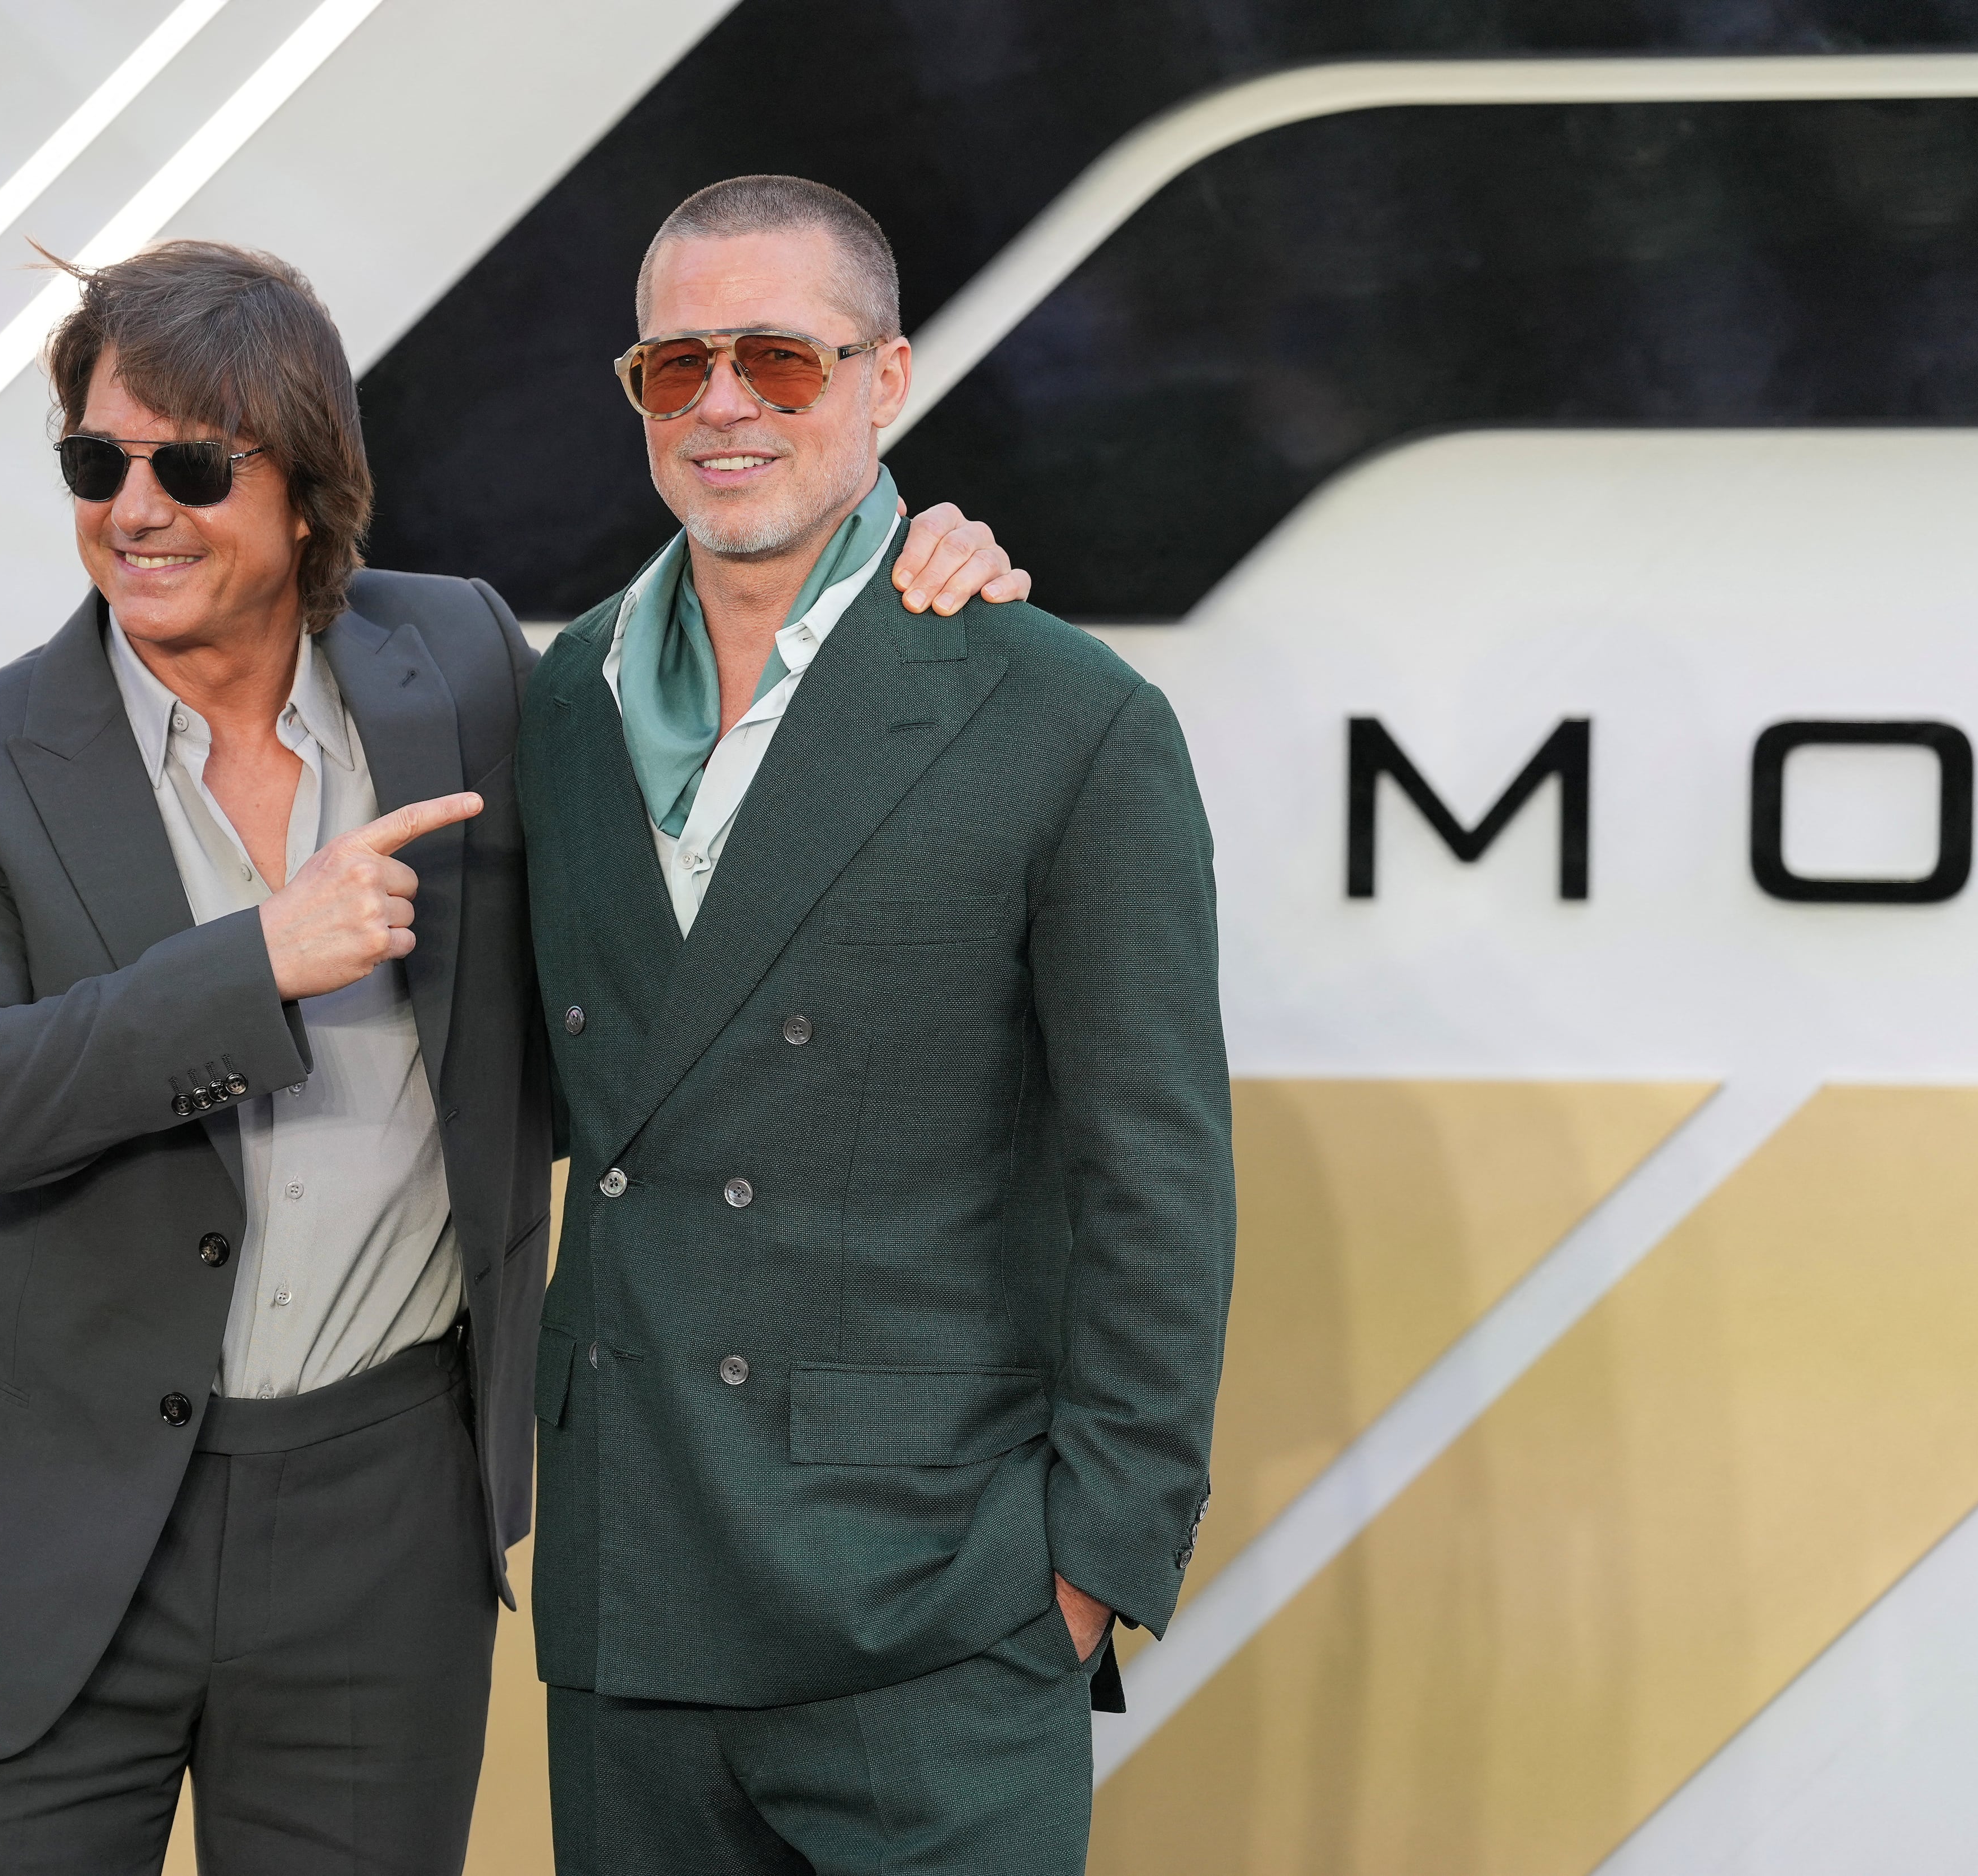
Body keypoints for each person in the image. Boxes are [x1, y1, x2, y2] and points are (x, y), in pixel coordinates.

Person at [0, 238, 1030, 1874]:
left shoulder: (461, 665)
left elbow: (719, 712)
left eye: (191, 464)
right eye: (94, 462)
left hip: (380, 1528)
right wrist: (259, 959)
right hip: (45, 1542)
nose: (134, 507)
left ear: (311, 489)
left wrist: (911, 565)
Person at [518, 176, 1238, 1874]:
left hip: (936, 1602)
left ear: (885, 380)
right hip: (632, 1585)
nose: (724, 407)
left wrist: (1087, 1576)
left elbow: (1158, 1174)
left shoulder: (1060, 710)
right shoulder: (567, 697)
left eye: (779, 358)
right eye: (673, 368)